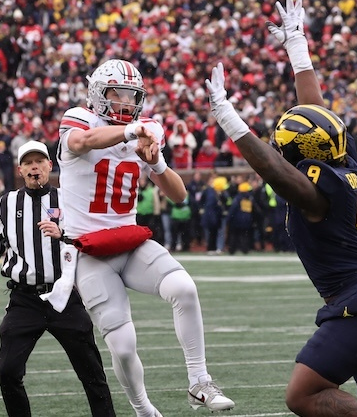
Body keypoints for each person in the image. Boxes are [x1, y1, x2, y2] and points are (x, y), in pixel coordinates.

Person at [205, 0, 357, 416]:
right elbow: (316, 112)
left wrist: (230, 119)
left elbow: (276, 172)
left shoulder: (317, 191)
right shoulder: (344, 159)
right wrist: (296, 46)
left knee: (302, 395)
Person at [53, 59, 234, 416]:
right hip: (88, 251)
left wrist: (158, 164)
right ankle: (142, 408)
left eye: (131, 96)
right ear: (97, 94)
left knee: (184, 287)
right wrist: (132, 131)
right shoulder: (80, 118)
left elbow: (179, 195)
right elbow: (84, 141)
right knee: (122, 345)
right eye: (117, 95)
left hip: (129, 241)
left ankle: (200, 381)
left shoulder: (141, 132)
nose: (125, 103)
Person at [0, 140, 115, 417]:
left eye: (39, 161)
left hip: (64, 296)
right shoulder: (6, 204)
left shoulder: (69, 199)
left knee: (92, 372)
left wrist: (62, 233)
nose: (34, 167)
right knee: (8, 370)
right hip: (25, 298)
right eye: (28, 163)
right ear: (20, 170)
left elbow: (91, 239)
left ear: (50, 166)